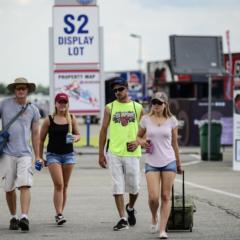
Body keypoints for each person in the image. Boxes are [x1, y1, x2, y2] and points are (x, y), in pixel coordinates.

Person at [98, 77, 143, 231]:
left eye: (120, 89)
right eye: (115, 90)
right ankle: (122, 218)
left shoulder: (138, 107)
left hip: (132, 152)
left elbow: (145, 131)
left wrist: (138, 142)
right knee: (117, 186)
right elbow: (103, 130)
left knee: (135, 187)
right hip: (114, 152)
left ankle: (130, 207)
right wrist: (101, 153)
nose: (117, 92)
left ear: (127, 88)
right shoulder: (110, 107)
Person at [137, 92, 182, 239]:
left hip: (169, 161)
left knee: (165, 196)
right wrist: (143, 142)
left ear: (165, 104)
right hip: (152, 162)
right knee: (153, 197)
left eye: (159, 103)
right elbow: (138, 137)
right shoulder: (145, 120)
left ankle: (162, 229)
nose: (156, 105)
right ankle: (154, 216)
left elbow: (175, 143)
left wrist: (178, 163)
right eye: (154, 103)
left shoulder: (172, 120)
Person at [0, 77, 41, 231]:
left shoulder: (33, 110)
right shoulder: (4, 104)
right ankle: (13, 217)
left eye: (23, 88)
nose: (21, 90)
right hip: (6, 153)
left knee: (25, 184)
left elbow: (36, 134)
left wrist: (38, 155)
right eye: (18, 88)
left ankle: (24, 217)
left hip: (25, 153)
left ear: (27, 90)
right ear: (14, 90)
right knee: (9, 188)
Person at [39, 92, 80, 225]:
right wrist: (39, 156)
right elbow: (41, 139)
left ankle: (60, 213)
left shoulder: (71, 118)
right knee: (59, 185)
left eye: (64, 102)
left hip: (69, 155)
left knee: (65, 186)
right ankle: (59, 213)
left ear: (67, 104)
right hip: (53, 155)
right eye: (60, 102)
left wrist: (76, 138)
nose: (62, 105)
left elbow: (78, 134)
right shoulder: (49, 119)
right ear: (55, 104)